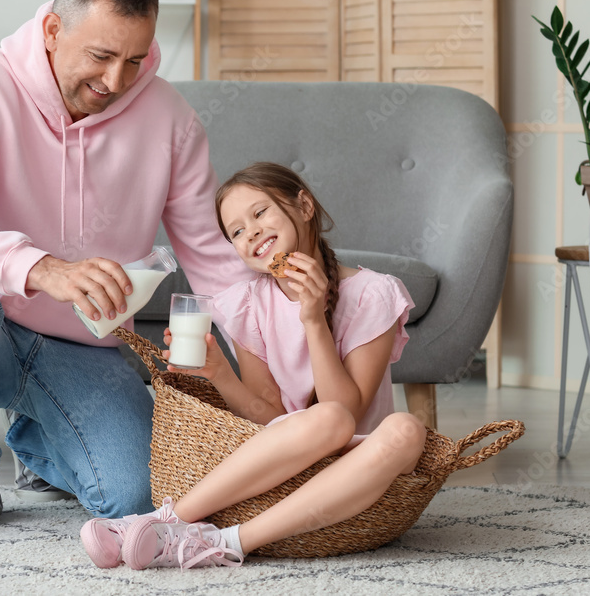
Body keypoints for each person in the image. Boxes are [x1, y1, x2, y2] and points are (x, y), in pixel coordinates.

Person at [0, 0, 250, 536]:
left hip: (85, 345)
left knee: (137, 495)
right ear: (54, 32)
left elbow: (214, 259)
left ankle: (36, 444)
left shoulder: (170, 120)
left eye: (135, 60)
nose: (116, 82)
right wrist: (42, 268)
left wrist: (280, 368)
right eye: (101, 57)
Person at [80, 162, 428, 569]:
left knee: (405, 429)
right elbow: (270, 416)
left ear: (304, 205)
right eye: (237, 232)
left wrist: (313, 319)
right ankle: (164, 520)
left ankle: (226, 542)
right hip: (293, 448)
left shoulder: (372, 293)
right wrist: (219, 374)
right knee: (324, 419)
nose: (252, 233)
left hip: (359, 460)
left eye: (260, 213)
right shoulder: (249, 302)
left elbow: (349, 415)